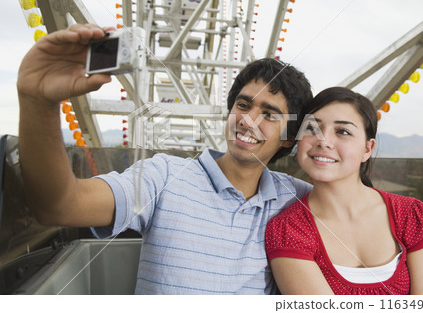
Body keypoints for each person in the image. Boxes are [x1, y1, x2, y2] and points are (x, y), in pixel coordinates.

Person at [16, 24, 313, 294]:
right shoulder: (163, 175)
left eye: (269, 114)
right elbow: (61, 207)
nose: (248, 120)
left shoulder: (296, 199)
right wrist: (39, 102)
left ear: (288, 137)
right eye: (243, 105)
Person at [265, 87, 423, 295]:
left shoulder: (412, 215)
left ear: (367, 149)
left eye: (343, 132)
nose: (323, 140)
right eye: (312, 129)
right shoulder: (287, 230)